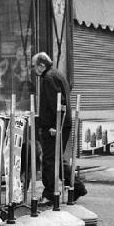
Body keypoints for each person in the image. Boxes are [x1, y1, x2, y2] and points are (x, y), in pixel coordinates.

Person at [32, 51, 73, 205]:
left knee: (49, 160)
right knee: (55, 158)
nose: (33, 70)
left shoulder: (49, 78)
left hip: (54, 126)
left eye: (34, 66)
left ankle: (50, 194)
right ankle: (76, 187)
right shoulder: (56, 74)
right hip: (60, 124)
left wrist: (53, 126)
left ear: (41, 66)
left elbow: (57, 104)